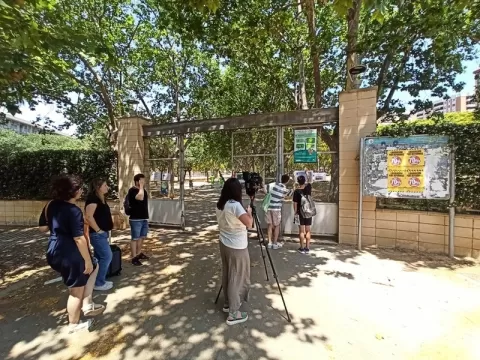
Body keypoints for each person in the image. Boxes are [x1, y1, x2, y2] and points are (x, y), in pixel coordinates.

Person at [38, 175, 104, 333]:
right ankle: (73, 325)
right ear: (72, 192)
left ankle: (87, 304)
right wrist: (87, 260)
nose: (81, 191)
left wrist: (58, 226)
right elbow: (79, 238)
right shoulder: (73, 210)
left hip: (54, 249)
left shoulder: (50, 205)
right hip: (71, 252)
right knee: (76, 291)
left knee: (95, 267)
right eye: (79, 189)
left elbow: (42, 228)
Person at [216, 178, 253, 325]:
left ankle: (227, 303)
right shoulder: (236, 205)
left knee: (228, 273)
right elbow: (249, 224)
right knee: (237, 278)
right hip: (237, 247)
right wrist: (249, 212)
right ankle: (233, 313)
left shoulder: (221, 204)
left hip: (224, 243)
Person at [85, 178, 114, 291]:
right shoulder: (93, 199)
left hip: (102, 233)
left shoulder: (101, 199)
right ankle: (99, 282)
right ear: (98, 187)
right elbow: (88, 217)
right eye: (105, 185)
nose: (107, 187)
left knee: (99, 257)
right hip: (97, 234)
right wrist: (98, 230)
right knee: (107, 256)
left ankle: (95, 280)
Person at [263, 174, 293, 249]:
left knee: (269, 225)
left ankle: (269, 242)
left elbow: (264, 187)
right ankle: (275, 243)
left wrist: (267, 193)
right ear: (287, 181)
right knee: (277, 225)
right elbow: (292, 193)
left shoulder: (273, 185)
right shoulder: (284, 190)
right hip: (276, 209)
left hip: (269, 207)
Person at [127, 173, 149, 266]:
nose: (144, 182)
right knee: (135, 238)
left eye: (144, 180)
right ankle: (134, 257)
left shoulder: (142, 190)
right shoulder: (132, 190)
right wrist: (141, 187)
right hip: (135, 219)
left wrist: (142, 187)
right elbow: (140, 198)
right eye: (142, 180)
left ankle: (139, 253)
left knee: (141, 237)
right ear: (137, 181)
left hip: (143, 217)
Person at [293, 175, 312, 254]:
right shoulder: (308, 188)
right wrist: (307, 174)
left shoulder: (296, 191)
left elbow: (295, 203)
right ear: (305, 181)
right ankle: (307, 248)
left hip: (300, 212)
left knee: (301, 231)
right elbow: (310, 181)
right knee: (308, 230)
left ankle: (302, 247)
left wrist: (295, 212)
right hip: (308, 211)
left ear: (298, 182)